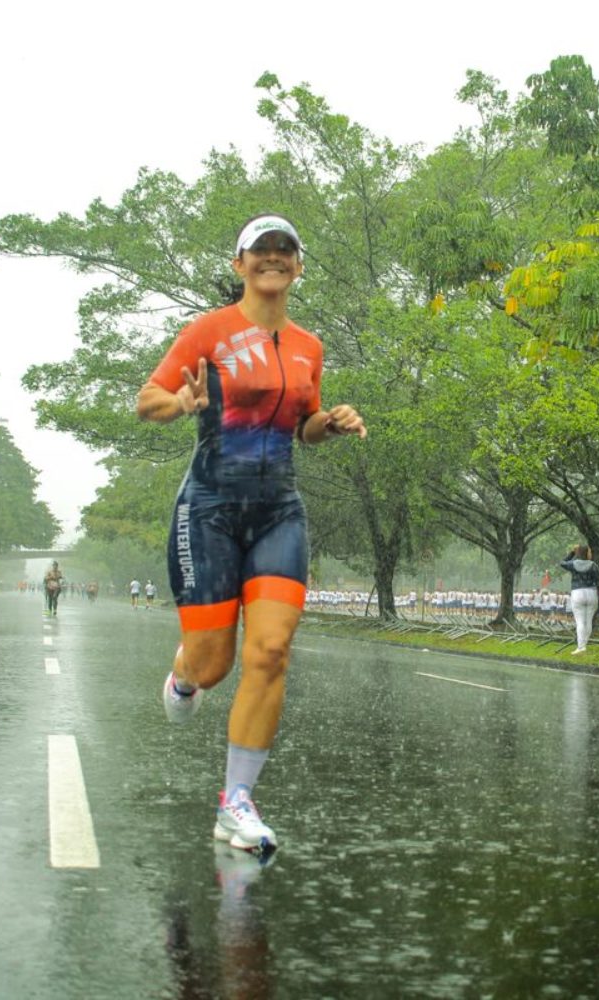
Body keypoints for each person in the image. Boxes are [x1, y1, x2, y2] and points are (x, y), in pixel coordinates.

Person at [137, 212, 366, 855]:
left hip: (278, 511)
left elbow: (305, 426)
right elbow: (146, 399)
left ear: (297, 265)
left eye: (284, 249)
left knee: (270, 652)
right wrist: (180, 403)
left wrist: (333, 419)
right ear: (239, 265)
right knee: (215, 665)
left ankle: (235, 804)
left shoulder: (309, 346)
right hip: (208, 507)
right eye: (259, 249)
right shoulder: (208, 331)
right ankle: (185, 676)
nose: (273, 257)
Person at [559, 544, 599, 654]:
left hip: (577, 592)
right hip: (591, 593)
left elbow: (562, 563)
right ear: (587, 553)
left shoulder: (573, 564)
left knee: (580, 622)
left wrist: (571, 553)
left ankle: (580, 647)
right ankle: (584, 644)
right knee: (588, 621)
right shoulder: (594, 565)